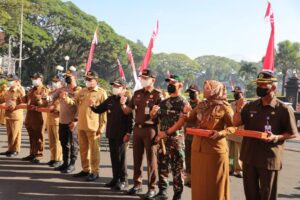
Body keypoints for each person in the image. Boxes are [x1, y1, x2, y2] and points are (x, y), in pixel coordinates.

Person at [233, 71, 298, 200]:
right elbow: (235, 122)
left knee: (267, 194)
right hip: (249, 156)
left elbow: (292, 133)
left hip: (268, 159)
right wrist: (239, 109)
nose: (259, 87)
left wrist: (276, 137)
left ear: (273, 87)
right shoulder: (250, 106)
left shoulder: (283, 109)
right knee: (250, 194)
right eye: (258, 84)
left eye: (263, 85)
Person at [185, 80, 234, 200]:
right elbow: (189, 118)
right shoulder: (201, 105)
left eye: (208, 88)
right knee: (199, 183)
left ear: (216, 90)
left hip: (215, 150)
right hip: (198, 148)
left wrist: (221, 133)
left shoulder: (224, 107)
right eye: (204, 87)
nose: (205, 90)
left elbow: (234, 126)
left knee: (215, 184)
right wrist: (185, 112)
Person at [120, 69, 162, 199]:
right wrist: (122, 104)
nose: (142, 79)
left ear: (153, 80)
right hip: (137, 129)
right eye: (141, 77)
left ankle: (152, 187)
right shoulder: (137, 93)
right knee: (137, 159)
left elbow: (163, 116)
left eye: (145, 77)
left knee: (151, 161)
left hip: (151, 130)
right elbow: (128, 111)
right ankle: (137, 184)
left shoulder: (158, 95)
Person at [89, 78, 133, 190]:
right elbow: (99, 110)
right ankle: (115, 179)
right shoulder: (110, 99)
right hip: (111, 132)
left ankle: (124, 181)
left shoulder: (127, 100)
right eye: (113, 86)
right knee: (113, 157)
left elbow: (130, 118)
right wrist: (92, 106)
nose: (114, 88)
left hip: (122, 133)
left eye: (117, 86)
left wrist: (129, 133)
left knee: (121, 158)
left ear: (123, 88)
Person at [150, 74, 189, 200]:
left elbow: (181, 121)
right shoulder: (163, 102)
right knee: (162, 166)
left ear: (180, 85)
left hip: (176, 141)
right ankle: (163, 192)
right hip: (163, 141)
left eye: (173, 82)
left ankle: (177, 196)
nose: (170, 85)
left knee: (177, 169)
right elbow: (155, 119)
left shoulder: (183, 102)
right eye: (169, 83)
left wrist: (166, 132)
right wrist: (152, 114)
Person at [67, 71, 107, 181]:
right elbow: (74, 103)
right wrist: (65, 98)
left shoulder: (101, 92)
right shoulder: (82, 91)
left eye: (90, 79)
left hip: (94, 126)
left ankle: (95, 171)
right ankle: (86, 169)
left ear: (96, 80)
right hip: (81, 125)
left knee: (94, 151)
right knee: (84, 150)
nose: (87, 81)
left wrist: (102, 126)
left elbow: (104, 112)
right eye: (86, 79)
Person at [52, 70, 80, 173]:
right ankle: (65, 162)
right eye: (66, 76)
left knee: (73, 144)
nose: (67, 78)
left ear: (75, 78)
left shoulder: (78, 91)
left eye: (69, 77)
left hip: (72, 122)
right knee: (64, 142)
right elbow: (52, 97)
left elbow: (77, 106)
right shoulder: (62, 89)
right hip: (62, 120)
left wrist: (66, 97)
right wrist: (47, 97)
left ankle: (72, 164)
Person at [22, 72, 48, 163]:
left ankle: (39, 155)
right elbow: (25, 100)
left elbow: (45, 104)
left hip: (39, 116)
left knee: (39, 136)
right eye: (32, 78)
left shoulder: (44, 90)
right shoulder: (31, 89)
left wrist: (38, 100)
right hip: (30, 116)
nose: (33, 80)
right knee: (32, 136)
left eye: (35, 79)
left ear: (40, 79)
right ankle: (32, 153)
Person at [0, 75, 25, 157]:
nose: (9, 82)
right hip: (8, 114)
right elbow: (3, 100)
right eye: (8, 80)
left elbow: (23, 103)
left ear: (17, 81)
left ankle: (15, 150)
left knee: (16, 134)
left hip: (16, 115)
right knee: (10, 133)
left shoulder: (19, 90)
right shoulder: (8, 90)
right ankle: (10, 149)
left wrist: (15, 106)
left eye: (11, 80)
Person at [184, 84, 200, 186]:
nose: (191, 94)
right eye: (190, 92)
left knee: (197, 159)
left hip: (197, 135)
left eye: (193, 92)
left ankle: (196, 178)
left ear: (198, 93)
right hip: (187, 134)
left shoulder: (202, 105)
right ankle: (189, 178)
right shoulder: (187, 104)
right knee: (188, 157)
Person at [45, 76, 63, 167]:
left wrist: (55, 108)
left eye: (57, 81)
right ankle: (53, 158)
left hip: (57, 119)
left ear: (61, 83)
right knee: (51, 140)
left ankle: (58, 159)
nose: (54, 83)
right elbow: (46, 104)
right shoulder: (51, 93)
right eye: (53, 81)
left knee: (57, 141)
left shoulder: (62, 93)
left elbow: (62, 106)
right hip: (50, 119)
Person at [227, 86, 244, 178]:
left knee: (238, 153)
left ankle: (239, 169)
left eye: (238, 93)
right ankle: (230, 168)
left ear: (242, 94)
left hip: (240, 132)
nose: (236, 94)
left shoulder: (246, 105)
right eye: (235, 93)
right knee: (230, 154)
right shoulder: (231, 104)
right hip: (230, 133)